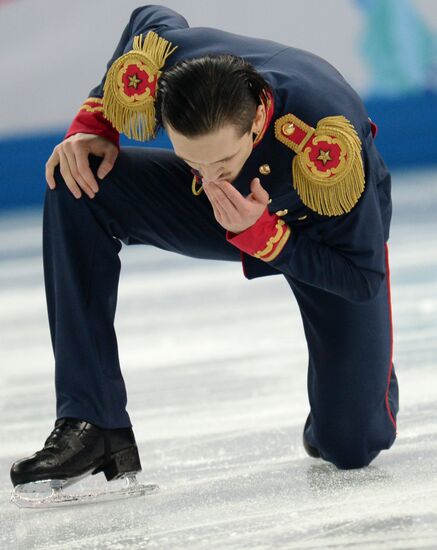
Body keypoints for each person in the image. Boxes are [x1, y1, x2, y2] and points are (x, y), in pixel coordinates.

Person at [10, 4, 399, 502]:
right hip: (221, 218)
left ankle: (365, 386)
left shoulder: (328, 143)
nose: (210, 178)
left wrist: (265, 235)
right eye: (191, 160)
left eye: (223, 161)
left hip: (319, 231)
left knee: (351, 444)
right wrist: (95, 120)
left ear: (258, 116)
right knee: (76, 182)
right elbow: (149, 16)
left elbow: (361, 276)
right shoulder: (166, 67)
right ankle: (93, 421)